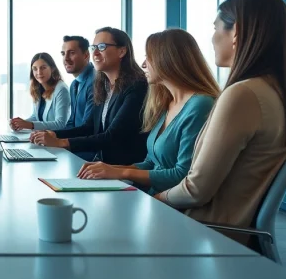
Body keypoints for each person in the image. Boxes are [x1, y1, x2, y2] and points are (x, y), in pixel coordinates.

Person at [155, 0, 286, 243]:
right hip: (222, 234)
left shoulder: (243, 95)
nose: (212, 38)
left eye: (216, 28)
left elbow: (195, 190)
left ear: (236, 33)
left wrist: (153, 200)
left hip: (203, 234)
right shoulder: (273, 91)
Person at [77, 29, 218, 194]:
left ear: (169, 60)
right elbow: (150, 162)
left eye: (148, 58)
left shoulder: (200, 105)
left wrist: (122, 172)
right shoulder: (167, 103)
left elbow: (182, 175)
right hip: (152, 195)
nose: (144, 64)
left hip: (170, 203)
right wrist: (108, 169)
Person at [30, 27, 148, 165]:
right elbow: (89, 127)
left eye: (102, 47)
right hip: (103, 167)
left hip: (124, 170)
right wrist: (54, 134)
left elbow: (113, 136)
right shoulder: (103, 85)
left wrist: (61, 142)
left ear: (122, 51)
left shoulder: (136, 86)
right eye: (93, 48)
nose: (95, 53)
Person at [10, 52, 70, 131]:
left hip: (56, 140)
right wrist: (20, 123)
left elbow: (60, 124)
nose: (39, 72)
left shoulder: (61, 89)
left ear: (52, 68)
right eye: (35, 69)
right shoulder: (38, 88)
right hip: (43, 138)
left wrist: (29, 125)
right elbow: (36, 116)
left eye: (43, 68)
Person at [61, 35, 95, 129]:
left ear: (86, 55)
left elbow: (88, 127)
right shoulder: (74, 85)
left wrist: (56, 136)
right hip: (75, 140)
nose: (66, 58)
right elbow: (72, 121)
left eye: (71, 53)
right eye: (63, 54)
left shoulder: (95, 81)